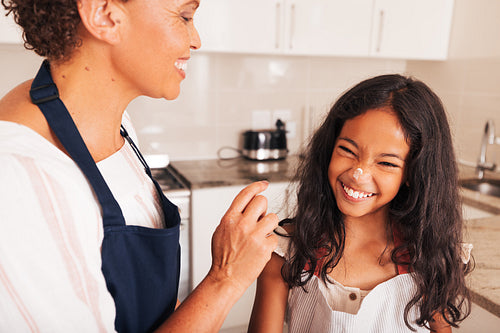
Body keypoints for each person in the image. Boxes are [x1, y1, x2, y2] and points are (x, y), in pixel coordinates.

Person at [0, 0, 279, 332]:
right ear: (103, 14)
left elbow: (149, 301)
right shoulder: (21, 178)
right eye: (185, 16)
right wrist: (227, 278)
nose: (196, 39)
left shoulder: (115, 125)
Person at [248, 74, 473, 332]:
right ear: (330, 147)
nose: (359, 173)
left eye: (386, 163)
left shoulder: (429, 254)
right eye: (347, 150)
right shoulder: (286, 252)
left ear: (413, 174)